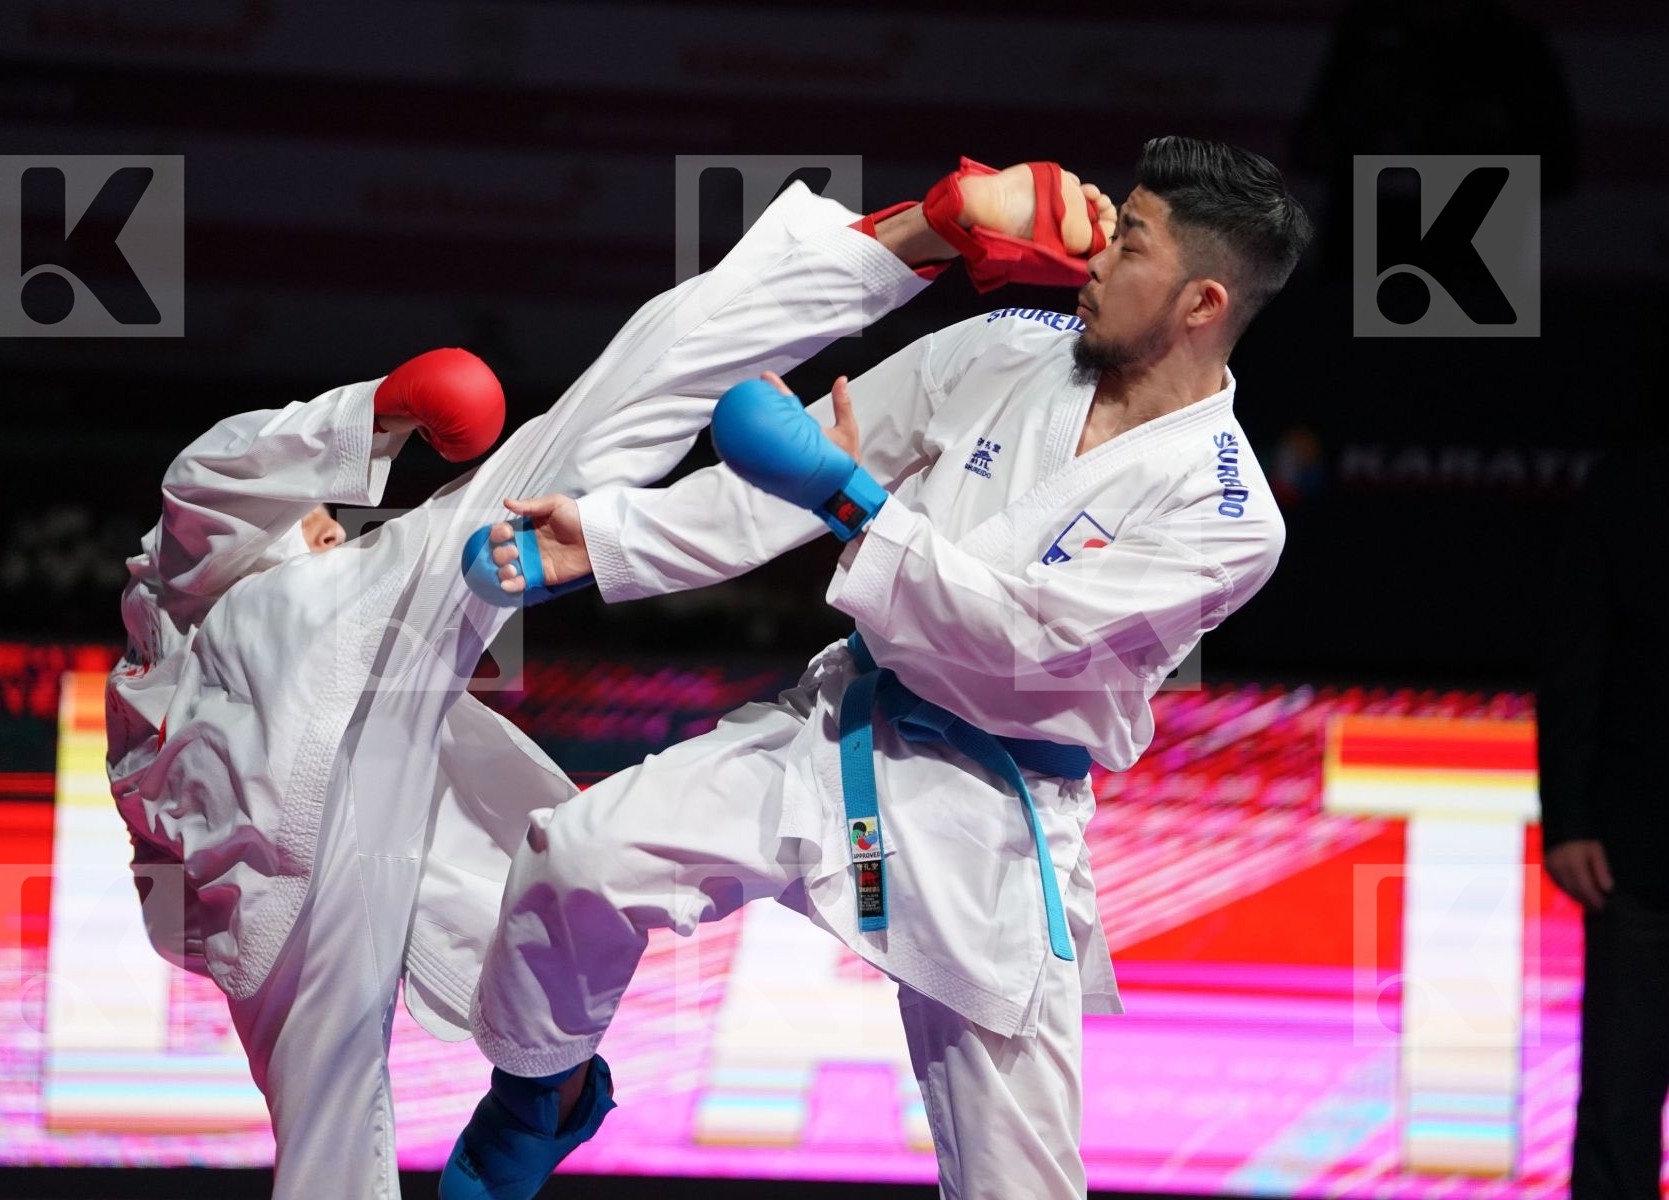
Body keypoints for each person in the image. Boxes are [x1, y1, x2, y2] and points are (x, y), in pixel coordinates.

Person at [452, 137, 1311, 1200]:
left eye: (1127, 241)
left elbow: (1021, 634)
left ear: (1201, 302)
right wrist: (609, 540)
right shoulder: (1008, 344)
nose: (1090, 256)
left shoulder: (1227, 515)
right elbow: (792, 461)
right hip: (840, 732)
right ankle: (545, 1094)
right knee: (577, 859)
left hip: (990, 816)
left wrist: (852, 500)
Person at [103, 172, 974, 1199]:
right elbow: (204, 487)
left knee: (579, 449)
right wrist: (375, 415)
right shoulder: (192, 574)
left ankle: (905, 236)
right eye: (321, 514)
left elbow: (247, 497)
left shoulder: (337, 587)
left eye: (332, 514)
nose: (337, 520)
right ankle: (541, 1103)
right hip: (245, 865)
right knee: (333, 1124)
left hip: (328, 705)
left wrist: (380, 423)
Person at [1539, 448, 1669, 1200]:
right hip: (1640, 851)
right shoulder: (1633, 480)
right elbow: (1576, 650)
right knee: (1620, 1109)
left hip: (1635, 839)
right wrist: (1569, 818)